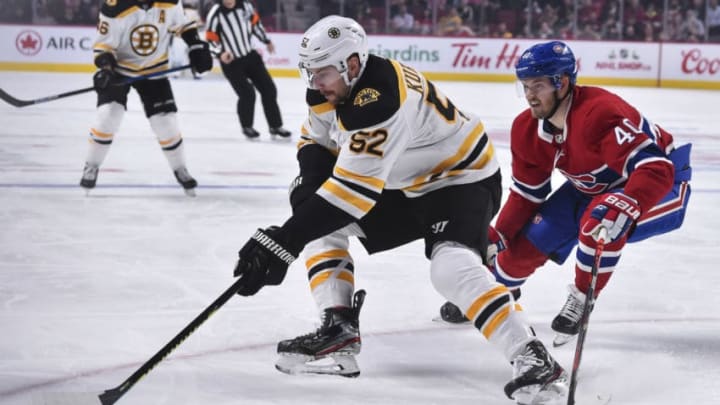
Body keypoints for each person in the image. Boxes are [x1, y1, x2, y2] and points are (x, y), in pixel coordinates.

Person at [230, 16, 568, 404]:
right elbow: (315, 142)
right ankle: (337, 328)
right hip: (404, 184)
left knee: (450, 269)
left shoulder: (381, 99)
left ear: (352, 64)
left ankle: (532, 356)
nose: (315, 83)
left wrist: (285, 240)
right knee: (315, 214)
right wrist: (300, 209)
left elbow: (352, 193)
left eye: (322, 73)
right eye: (309, 73)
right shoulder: (331, 88)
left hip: (460, 180)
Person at [439, 41, 692, 348]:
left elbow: (656, 167)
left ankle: (583, 299)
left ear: (563, 82)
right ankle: (496, 290)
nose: (530, 95)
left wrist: (629, 201)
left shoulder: (599, 113)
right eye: (525, 86)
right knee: (523, 247)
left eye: (538, 85)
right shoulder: (526, 129)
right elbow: (526, 195)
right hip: (590, 189)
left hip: (660, 185)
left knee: (601, 219)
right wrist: (497, 236)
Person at [81, 0, 213, 196]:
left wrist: (195, 45)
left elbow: (183, 25)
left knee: (166, 123)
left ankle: (180, 168)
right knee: (109, 115)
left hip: (154, 71)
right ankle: (91, 165)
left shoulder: (170, 2)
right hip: (119, 70)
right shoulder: (114, 6)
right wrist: (106, 70)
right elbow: (103, 47)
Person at [205, 0, 291, 140]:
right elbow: (210, 40)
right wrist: (220, 53)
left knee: (269, 89)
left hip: (251, 56)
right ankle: (247, 127)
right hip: (231, 61)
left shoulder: (246, 6)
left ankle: (275, 126)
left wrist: (266, 41)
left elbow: (256, 25)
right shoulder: (216, 12)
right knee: (247, 93)